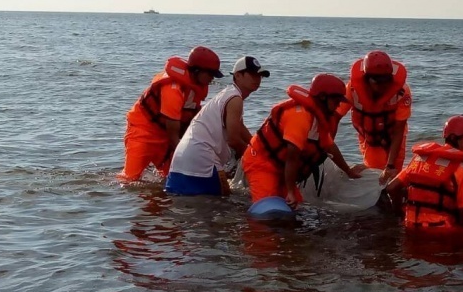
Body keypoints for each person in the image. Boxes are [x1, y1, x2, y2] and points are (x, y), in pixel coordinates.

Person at [241, 74, 366, 208]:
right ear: (323, 97)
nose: (338, 105)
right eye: (336, 101)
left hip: (281, 167)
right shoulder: (300, 117)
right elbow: (292, 156)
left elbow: (330, 147)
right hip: (261, 163)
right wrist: (290, 191)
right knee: (268, 208)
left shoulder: (318, 118)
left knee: (295, 206)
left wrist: (348, 171)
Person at [165, 56, 269, 196]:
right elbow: (233, 140)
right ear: (237, 75)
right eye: (252, 74)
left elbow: (241, 129)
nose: (257, 79)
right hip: (202, 161)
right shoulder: (235, 99)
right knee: (223, 207)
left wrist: (257, 150)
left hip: (181, 162)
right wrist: (256, 159)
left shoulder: (228, 95)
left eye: (260, 75)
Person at [118, 46, 223, 182]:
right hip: (142, 131)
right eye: (210, 74)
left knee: (173, 178)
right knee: (129, 179)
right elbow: (174, 135)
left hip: (164, 135)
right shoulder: (173, 89)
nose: (212, 79)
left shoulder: (195, 87)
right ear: (197, 71)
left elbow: (191, 121)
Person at [384, 115, 463, 230]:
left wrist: (400, 214)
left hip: (410, 226)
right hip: (442, 231)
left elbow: (391, 188)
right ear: (453, 138)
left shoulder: (419, 158)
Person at [337, 50, 413, 184]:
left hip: (395, 136)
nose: (383, 86)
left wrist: (390, 165)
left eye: (386, 81)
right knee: (377, 176)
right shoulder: (352, 89)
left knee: (394, 175)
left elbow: (399, 129)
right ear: (367, 79)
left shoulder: (402, 92)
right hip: (370, 138)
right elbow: (334, 118)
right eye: (377, 82)